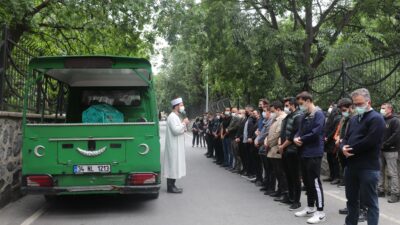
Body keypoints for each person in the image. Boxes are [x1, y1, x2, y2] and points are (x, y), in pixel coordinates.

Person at [340, 88, 385, 225]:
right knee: (352, 201)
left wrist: (350, 149)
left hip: (368, 168)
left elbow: (370, 141)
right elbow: (345, 138)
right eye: (355, 104)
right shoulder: (354, 119)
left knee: (370, 203)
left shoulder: (377, 119)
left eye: (360, 104)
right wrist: (343, 147)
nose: (357, 107)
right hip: (351, 166)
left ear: (368, 102)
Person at [294, 91, 326, 224]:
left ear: (308, 101)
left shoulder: (318, 114)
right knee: (307, 181)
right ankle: (310, 207)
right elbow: (299, 130)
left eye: (301, 103)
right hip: (304, 152)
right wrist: (295, 138)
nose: (300, 106)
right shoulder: (304, 115)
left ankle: (320, 212)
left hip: (314, 152)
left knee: (315, 182)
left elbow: (316, 132)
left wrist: (301, 138)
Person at [279, 97, 303, 210]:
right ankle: (291, 196)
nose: (286, 107)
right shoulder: (289, 116)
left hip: (293, 150)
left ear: (293, 105)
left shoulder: (298, 116)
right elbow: (283, 131)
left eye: (287, 105)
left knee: (295, 176)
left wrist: (283, 146)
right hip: (285, 150)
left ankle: (297, 201)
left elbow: (293, 134)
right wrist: (281, 144)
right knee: (287, 174)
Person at [163, 97, 190, 194]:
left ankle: (173, 185)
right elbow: (176, 130)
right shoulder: (172, 117)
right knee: (172, 165)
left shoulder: (177, 116)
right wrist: (184, 123)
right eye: (181, 105)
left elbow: (181, 129)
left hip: (177, 145)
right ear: (176, 106)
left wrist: (184, 125)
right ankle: (170, 187)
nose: (183, 106)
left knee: (175, 165)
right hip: (173, 146)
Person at [266, 101, 288, 202]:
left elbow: (277, 134)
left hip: (277, 149)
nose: (271, 113)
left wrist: (269, 142)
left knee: (281, 172)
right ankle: (279, 190)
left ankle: (284, 192)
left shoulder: (282, 118)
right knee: (277, 172)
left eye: (273, 111)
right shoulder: (276, 119)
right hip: (272, 149)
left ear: (278, 109)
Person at [378, 103, 400, 203]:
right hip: (380, 150)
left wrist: (385, 144)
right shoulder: (381, 120)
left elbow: (396, 135)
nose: (381, 110)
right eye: (381, 108)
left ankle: (395, 194)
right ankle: (380, 190)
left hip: (391, 150)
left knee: (393, 173)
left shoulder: (395, 120)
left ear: (390, 109)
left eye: (383, 108)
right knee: (379, 171)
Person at [323, 105, 342, 184]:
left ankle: (336, 177)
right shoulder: (331, 118)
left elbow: (334, 130)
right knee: (330, 159)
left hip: (332, 141)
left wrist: (327, 137)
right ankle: (332, 175)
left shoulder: (337, 118)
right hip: (329, 142)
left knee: (334, 160)